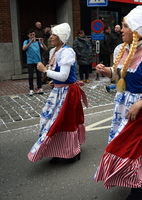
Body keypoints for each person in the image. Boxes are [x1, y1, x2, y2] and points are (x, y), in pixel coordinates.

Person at [94, 6, 142, 200]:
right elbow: (120, 76)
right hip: (124, 102)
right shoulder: (122, 49)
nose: (121, 30)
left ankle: (137, 188)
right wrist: (108, 72)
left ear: (136, 30)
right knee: (134, 145)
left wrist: (137, 105)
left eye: (126, 26)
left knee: (126, 146)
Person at [27, 23, 88, 164]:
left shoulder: (67, 52)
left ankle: (72, 152)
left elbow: (65, 76)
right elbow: (59, 75)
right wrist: (54, 80)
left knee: (65, 122)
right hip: (59, 90)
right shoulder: (53, 51)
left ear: (61, 37)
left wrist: (45, 71)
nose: (51, 37)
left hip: (68, 92)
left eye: (54, 35)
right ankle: (57, 150)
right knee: (50, 120)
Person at [22, 29, 48, 96]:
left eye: (33, 35)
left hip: (38, 61)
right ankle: (31, 89)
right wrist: (30, 43)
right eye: (31, 35)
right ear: (28, 35)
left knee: (39, 76)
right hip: (30, 61)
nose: (32, 36)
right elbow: (23, 48)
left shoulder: (38, 42)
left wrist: (42, 43)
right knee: (31, 76)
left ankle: (39, 88)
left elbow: (45, 49)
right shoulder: (26, 41)